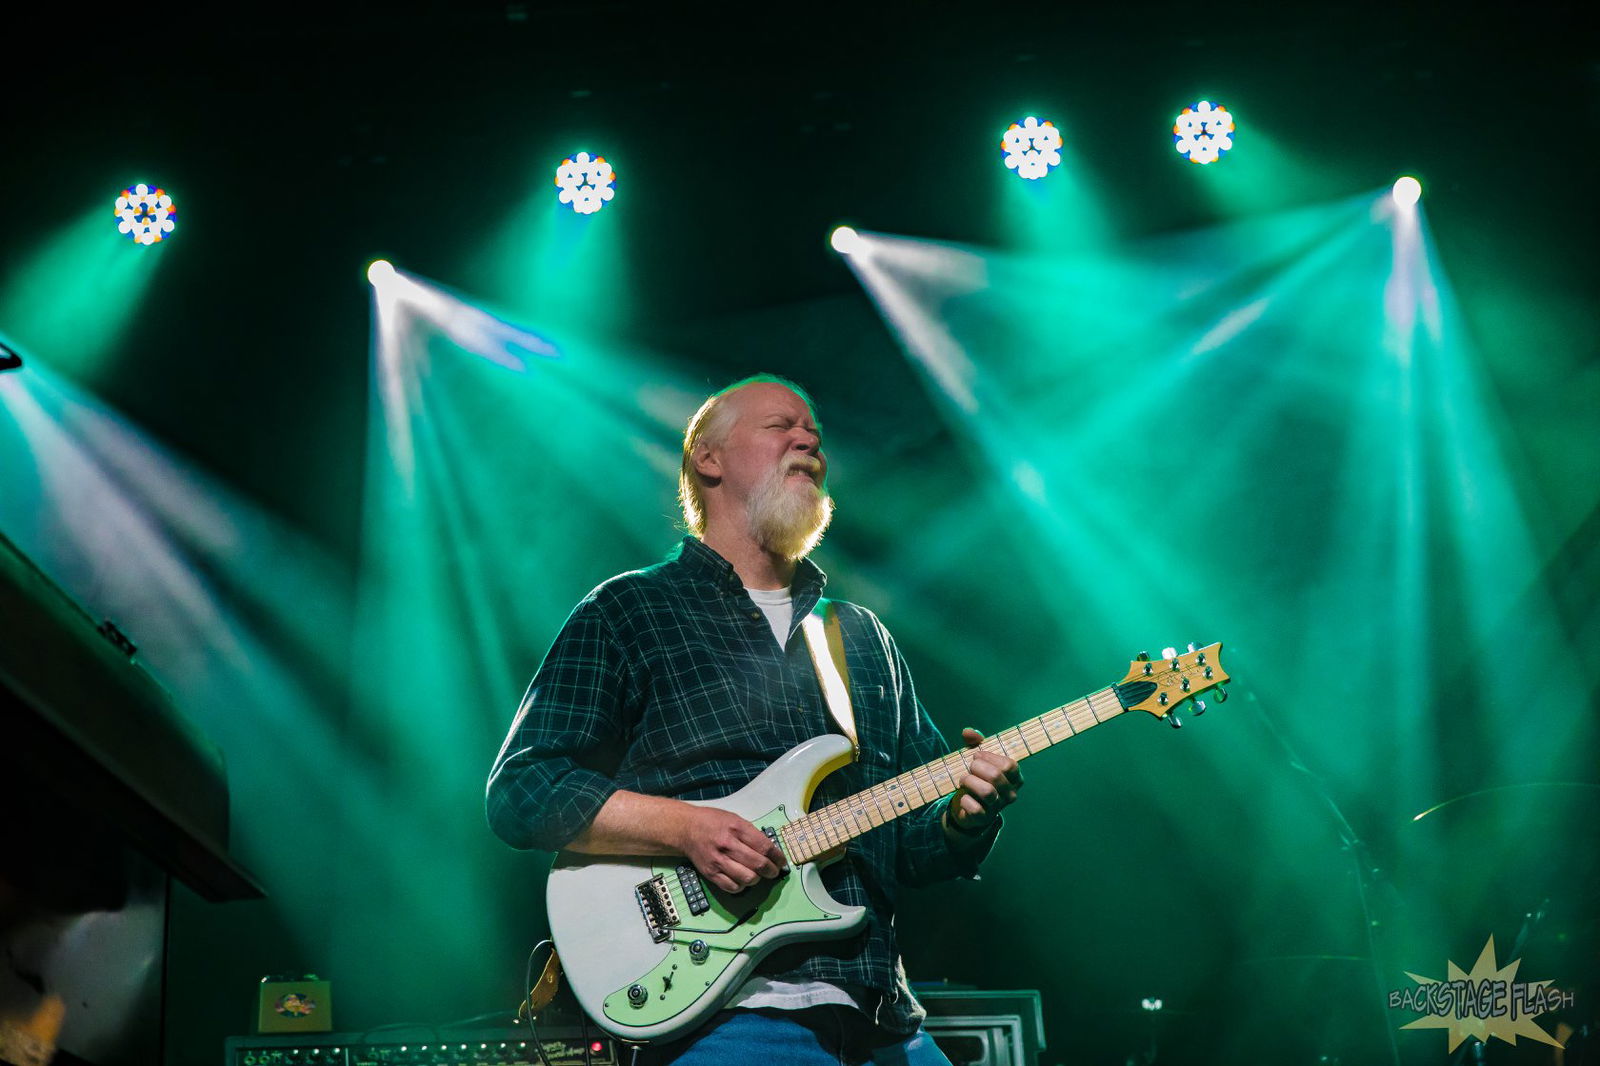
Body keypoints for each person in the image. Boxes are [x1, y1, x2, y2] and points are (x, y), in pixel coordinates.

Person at [487, 374, 1023, 1066]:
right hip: (722, 1019)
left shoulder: (862, 637)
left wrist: (963, 819)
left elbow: (910, 847)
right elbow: (523, 791)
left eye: (816, 436)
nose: (809, 442)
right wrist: (686, 828)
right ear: (708, 458)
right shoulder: (628, 611)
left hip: (880, 1016)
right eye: (781, 426)